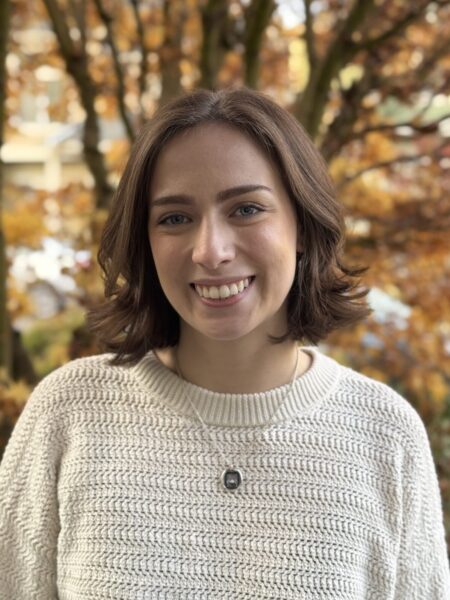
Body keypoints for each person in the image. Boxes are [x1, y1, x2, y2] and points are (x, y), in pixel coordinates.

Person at [0, 87, 449, 599]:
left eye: (246, 209)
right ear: (145, 241)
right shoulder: (70, 414)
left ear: (301, 225)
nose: (211, 251)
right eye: (175, 218)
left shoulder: (384, 436)